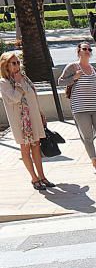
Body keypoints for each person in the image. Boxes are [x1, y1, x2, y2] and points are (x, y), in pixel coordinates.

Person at [58, 43, 96, 173]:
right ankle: (94, 162)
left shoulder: (94, 69)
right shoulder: (72, 67)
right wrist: (74, 77)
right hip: (80, 109)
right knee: (88, 137)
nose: (87, 51)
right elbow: (60, 81)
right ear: (78, 51)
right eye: (84, 49)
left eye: (89, 49)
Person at [0, 51, 53, 190]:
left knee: (36, 145)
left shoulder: (24, 78)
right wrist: (17, 83)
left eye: (18, 62)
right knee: (25, 147)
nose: (17, 65)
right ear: (6, 66)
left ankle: (42, 176)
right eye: (14, 63)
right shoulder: (4, 83)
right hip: (20, 123)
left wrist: (40, 112)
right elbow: (15, 98)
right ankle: (34, 178)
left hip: (33, 118)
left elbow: (32, 96)